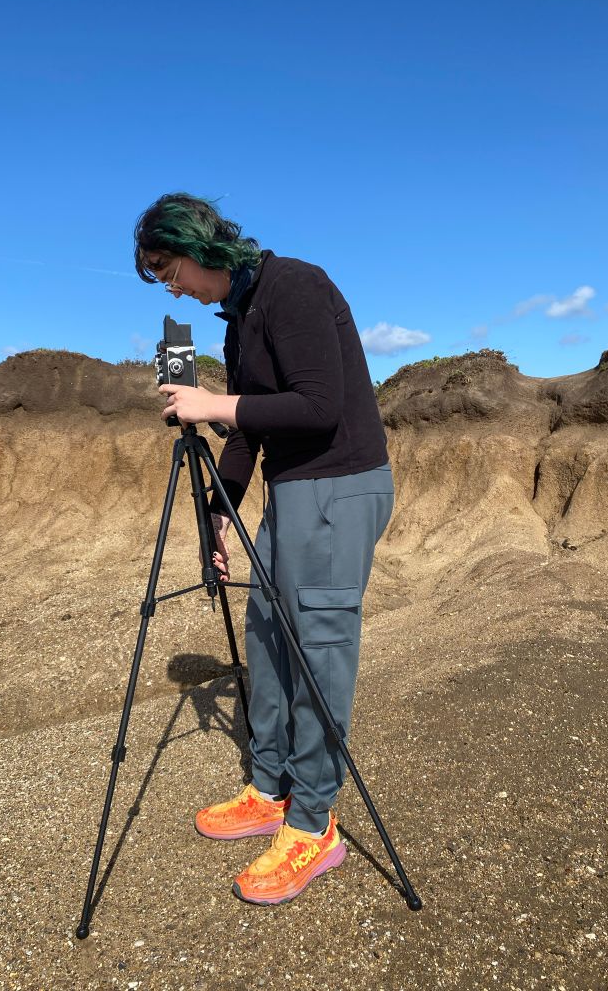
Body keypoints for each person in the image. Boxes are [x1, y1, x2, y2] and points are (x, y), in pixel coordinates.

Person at [134, 193, 394, 905]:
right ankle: (270, 786)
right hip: (293, 490)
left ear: (199, 247)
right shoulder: (241, 317)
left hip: (340, 486)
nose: (172, 288)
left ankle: (313, 823)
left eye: (169, 270)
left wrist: (212, 405)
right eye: (160, 278)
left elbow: (319, 405)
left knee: (317, 651)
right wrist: (220, 511)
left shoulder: (295, 286)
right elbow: (251, 431)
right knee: (268, 634)